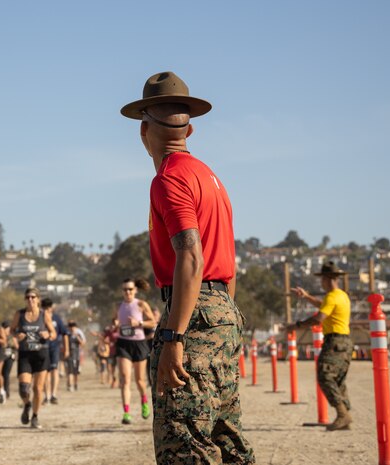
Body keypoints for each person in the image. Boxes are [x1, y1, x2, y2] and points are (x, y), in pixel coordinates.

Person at [121, 71, 255, 463]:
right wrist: (223, 322)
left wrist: (175, 337)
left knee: (185, 446)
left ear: (143, 130)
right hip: (222, 312)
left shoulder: (169, 178)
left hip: (191, 316)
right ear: (190, 129)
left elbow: (191, 255)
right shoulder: (211, 177)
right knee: (227, 440)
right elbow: (227, 266)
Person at [287, 261, 353, 431]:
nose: (321, 283)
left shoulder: (331, 297)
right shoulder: (342, 296)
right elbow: (323, 306)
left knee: (325, 376)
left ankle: (342, 414)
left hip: (334, 341)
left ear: (326, 279)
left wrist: (296, 325)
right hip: (345, 342)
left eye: (322, 279)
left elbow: (318, 318)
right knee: (338, 379)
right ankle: (345, 413)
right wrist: (306, 296)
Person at [11, 288, 56, 429]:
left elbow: (53, 333)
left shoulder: (44, 315)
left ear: (38, 299)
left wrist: (47, 335)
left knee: (37, 388)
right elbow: (12, 329)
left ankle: (35, 417)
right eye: (27, 297)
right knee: (24, 388)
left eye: (33, 297)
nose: (30, 300)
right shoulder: (20, 314)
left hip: (41, 354)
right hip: (25, 354)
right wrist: (17, 334)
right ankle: (27, 404)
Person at [114, 278, 156, 425]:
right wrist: (115, 324)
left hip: (139, 343)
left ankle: (144, 401)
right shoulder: (118, 305)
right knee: (125, 379)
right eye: (125, 289)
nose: (127, 292)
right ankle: (126, 413)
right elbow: (115, 321)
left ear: (135, 290)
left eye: (130, 289)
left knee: (139, 380)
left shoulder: (141, 304)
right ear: (122, 291)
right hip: (123, 343)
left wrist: (139, 323)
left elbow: (153, 322)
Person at [41, 297, 69, 404]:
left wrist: (66, 349)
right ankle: (46, 395)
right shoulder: (40, 318)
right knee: (45, 373)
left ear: (51, 308)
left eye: (49, 309)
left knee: (54, 370)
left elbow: (64, 333)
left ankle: (54, 395)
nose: (47, 311)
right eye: (45, 309)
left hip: (54, 348)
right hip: (43, 348)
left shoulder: (57, 318)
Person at [66, 320, 85, 392]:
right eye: (70, 327)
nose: (72, 328)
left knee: (75, 372)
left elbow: (83, 344)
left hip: (76, 355)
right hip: (69, 355)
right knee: (69, 371)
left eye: (73, 326)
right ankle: (70, 385)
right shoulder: (67, 335)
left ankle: (75, 384)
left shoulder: (78, 334)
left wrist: (77, 337)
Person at [1, 320, 17, 399]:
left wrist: (12, 344)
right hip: (1, 357)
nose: (6, 329)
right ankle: (3, 390)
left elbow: (17, 346)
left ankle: (7, 391)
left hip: (10, 357)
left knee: (6, 374)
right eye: (4, 328)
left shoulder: (12, 336)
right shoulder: (0, 336)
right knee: (2, 374)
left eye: (7, 328)